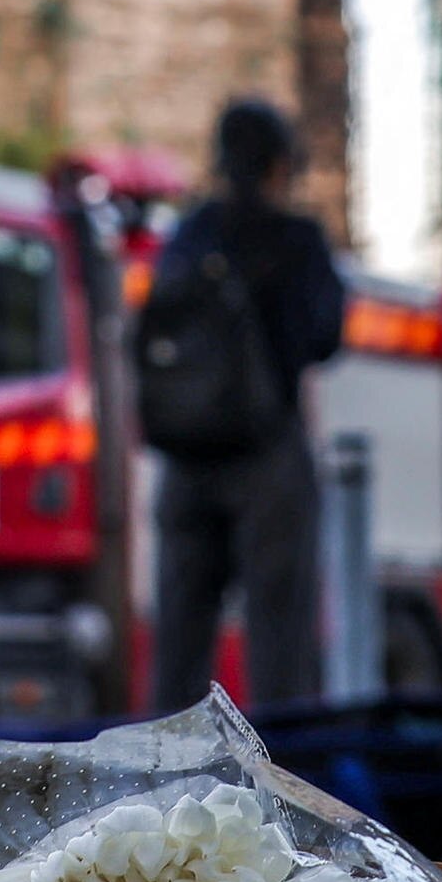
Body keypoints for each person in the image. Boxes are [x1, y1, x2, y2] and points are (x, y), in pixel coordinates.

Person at [142, 96, 349, 710]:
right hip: (268, 460)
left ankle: (169, 785)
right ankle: (276, 780)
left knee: (180, 637)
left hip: (185, 459)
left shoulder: (187, 235)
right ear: (279, 165)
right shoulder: (297, 239)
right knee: (279, 638)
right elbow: (327, 335)